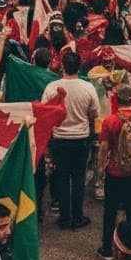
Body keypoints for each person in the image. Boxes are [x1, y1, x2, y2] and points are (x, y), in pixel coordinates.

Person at [42, 51, 98, 230]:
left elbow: (45, 111)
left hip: (59, 140)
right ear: (79, 66)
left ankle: (65, 218)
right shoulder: (88, 87)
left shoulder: (52, 87)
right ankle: (78, 216)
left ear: (62, 67)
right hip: (81, 139)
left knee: (63, 178)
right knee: (79, 177)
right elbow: (94, 113)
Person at [96, 85, 131, 260]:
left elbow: (104, 148)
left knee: (110, 211)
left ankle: (107, 249)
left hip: (115, 172)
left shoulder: (111, 121)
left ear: (116, 99)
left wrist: (100, 169)